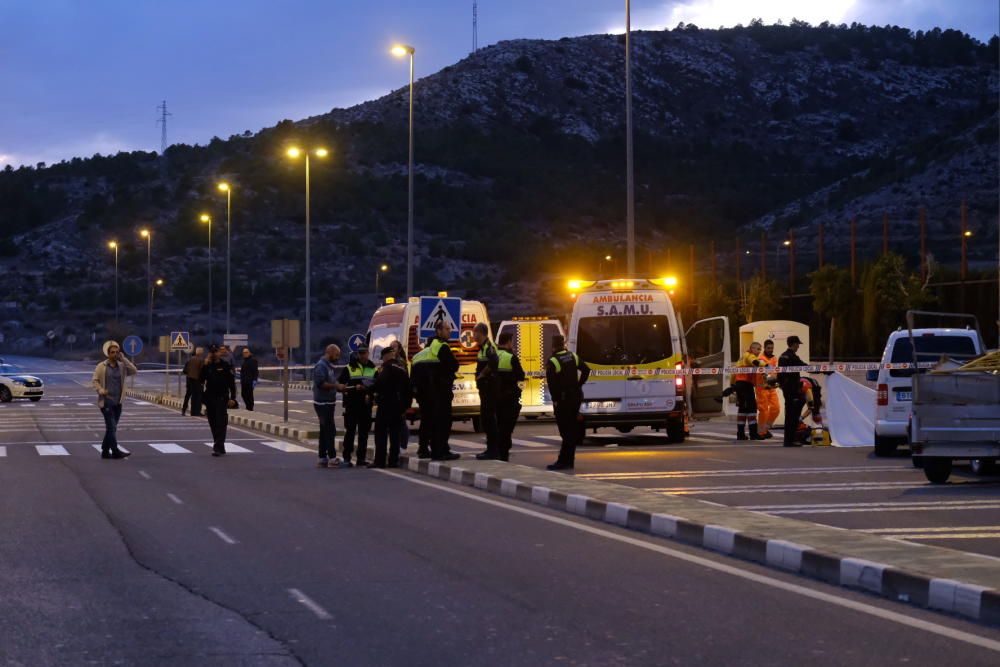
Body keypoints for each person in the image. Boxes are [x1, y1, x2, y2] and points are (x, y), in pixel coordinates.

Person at [546, 335, 590, 471]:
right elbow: (586, 370)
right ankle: (569, 461)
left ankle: (563, 461)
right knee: (570, 430)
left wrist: (555, 400)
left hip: (563, 400)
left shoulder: (553, 361)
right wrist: (579, 384)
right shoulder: (573, 356)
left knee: (566, 432)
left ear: (553, 345)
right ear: (563, 344)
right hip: (575, 398)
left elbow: (552, 385)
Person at [91, 341, 137, 459]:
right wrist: (101, 390)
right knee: (111, 427)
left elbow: (134, 371)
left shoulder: (122, 366)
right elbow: (95, 380)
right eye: (112, 352)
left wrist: (124, 359)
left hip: (118, 402)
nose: (115, 354)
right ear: (108, 353)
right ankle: (115, 451)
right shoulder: (102, 366)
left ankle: (105, 451)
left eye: (117, 352)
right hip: (106, 402)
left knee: (112, 428)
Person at [370, 346, 412, 468]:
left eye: (383, 357)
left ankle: (380, 461)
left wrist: (368, 390)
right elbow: (408, 389)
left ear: (386, 356)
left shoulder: (387, 368)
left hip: (386, 405)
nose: (382, 360)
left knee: (381, 433)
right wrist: (406, 406)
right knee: (395, 434)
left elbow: (379, 384)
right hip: (399, 407)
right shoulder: (402, 368)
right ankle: (393, 461)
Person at [337, 347, 376, 467]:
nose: (363, 356)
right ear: (357, 354)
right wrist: (354, 388)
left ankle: (361, 459)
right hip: (352, 405)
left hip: (366, 406)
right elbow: (340, 386)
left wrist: (370, 392)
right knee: (350, 433)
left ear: (368, 353)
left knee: (364, 434)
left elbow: (376, 385)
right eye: (361, 353)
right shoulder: (349, 368)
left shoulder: (372, 368)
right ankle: (347, 458)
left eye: (365, 353)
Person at [428, 321, 461, 461]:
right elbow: (454, 365)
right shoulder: (442, 346)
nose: (450, 331)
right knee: (444, 422)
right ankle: (442, 451)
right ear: (439, 331)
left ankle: (438, 450)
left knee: (437, 421)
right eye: (447, 329)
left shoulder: (431, 345)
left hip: (435, 388)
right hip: (442, 389)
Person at [200, 344, 238, 456]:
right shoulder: (206, 366)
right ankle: (220, 445)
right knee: (213, 422)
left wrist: (233, 398)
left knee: (221, 422)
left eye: (215, 351)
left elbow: (232, 383)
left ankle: (217, 446)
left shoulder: (225, 365)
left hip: (222, 397)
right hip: (210, 398)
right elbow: (201, 382)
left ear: (218, 353)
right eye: (212, 352)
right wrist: (202, 397)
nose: (214, 354)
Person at [494, 331, 526, 462]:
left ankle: (498, 451)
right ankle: (504, 453)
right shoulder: (510, 357)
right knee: (506, 428)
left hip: (495, 398)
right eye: (511, 342)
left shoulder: (493, 356)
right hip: (509, 398)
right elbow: (521, 375)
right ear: (508, 342)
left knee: (498, 425)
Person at [472, 322, 500, 460]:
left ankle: (492, 450)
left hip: (490, 388)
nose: (472, 335)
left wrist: (482, 374)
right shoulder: (482, 348)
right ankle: (491, 449)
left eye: (474, 332)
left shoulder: (489, 347)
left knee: (489, 419)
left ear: (480, 333)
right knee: (486, 419)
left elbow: (494, 362)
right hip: (485, 388)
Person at [313, 344, 341, 467]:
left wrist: (339, 386)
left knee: (324, 430)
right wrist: (335, 386)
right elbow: (320, 383)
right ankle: (332, 458)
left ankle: (322, 457)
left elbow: (331, 382)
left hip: (328, 402)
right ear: (330, 352)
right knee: (330, 431)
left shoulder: (329, 366)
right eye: (336, 355)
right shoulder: (321, 366)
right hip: (323, 403)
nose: (337, 357)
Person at [410, 337, 437, 459]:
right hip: (434, 393)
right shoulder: (435, 355)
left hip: (421, 395)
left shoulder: (416, 356)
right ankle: (432, 447)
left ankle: (423, 447)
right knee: (434, 422)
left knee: (425, 421)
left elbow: (413, 379)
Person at [732, 342, 765, 441]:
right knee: (751, 409)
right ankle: (753, 434)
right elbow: (756, 362)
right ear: (752, 348)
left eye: (760, 349)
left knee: (743, 410)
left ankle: (741, 434)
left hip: (741, 385)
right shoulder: (749, 355)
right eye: (758, 349)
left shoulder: (742, 357)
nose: (759, 352)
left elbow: (734, 373)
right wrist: (767, 365)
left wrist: (733, 385)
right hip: (745, 386)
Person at [778, 335, 807, 448]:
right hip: (792, 389)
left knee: (790, 414)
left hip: (788, 389)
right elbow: (804, 366)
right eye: (798, 344)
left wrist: (782, 386)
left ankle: (789, 440)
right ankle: (790, 441)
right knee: (793, 415)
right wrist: (821, 370)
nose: (798, 346)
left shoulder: (783, 356)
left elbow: (780, 374)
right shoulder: (791, 357)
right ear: (793, 344)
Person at [755, 339, 780, 439]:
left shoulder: (774, 358)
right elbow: (764, 372)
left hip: (771, 387)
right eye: (769, 348)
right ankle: (760, 432)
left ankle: (766, 428)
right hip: (762, 388)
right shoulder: (760, 358)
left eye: (772, 348)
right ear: (764, 348)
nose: (771, 350)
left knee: (776, 409)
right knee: (764, 410)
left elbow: (774, 371)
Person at [181, 347, 205, 416]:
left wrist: (190, 374)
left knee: (188, 395)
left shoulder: (190, 360)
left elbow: (184, 371)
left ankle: (184, 410)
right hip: (197, 381)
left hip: (189, 380)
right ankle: (196, 411)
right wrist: (202, 381)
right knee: (198, 396)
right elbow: (202, 371)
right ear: (201, 353)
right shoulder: (201, 360)